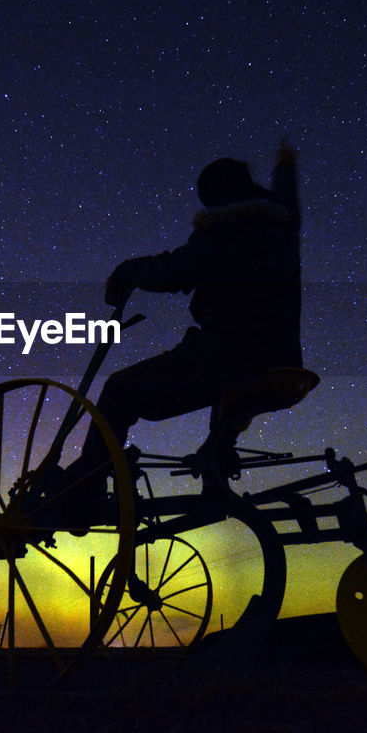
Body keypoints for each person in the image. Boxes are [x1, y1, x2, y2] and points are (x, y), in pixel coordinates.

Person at [58, 144, 304, 516]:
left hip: (228, 355)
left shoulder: (228, 226)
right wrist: (285, 166)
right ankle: (217, 466)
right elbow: (286, 195)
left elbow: (177, 270)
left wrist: (126, 272)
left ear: (218, 196)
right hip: (281, 362)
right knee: (228, 390)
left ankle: (87, 485)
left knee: (119, 391)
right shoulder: (283, 225)